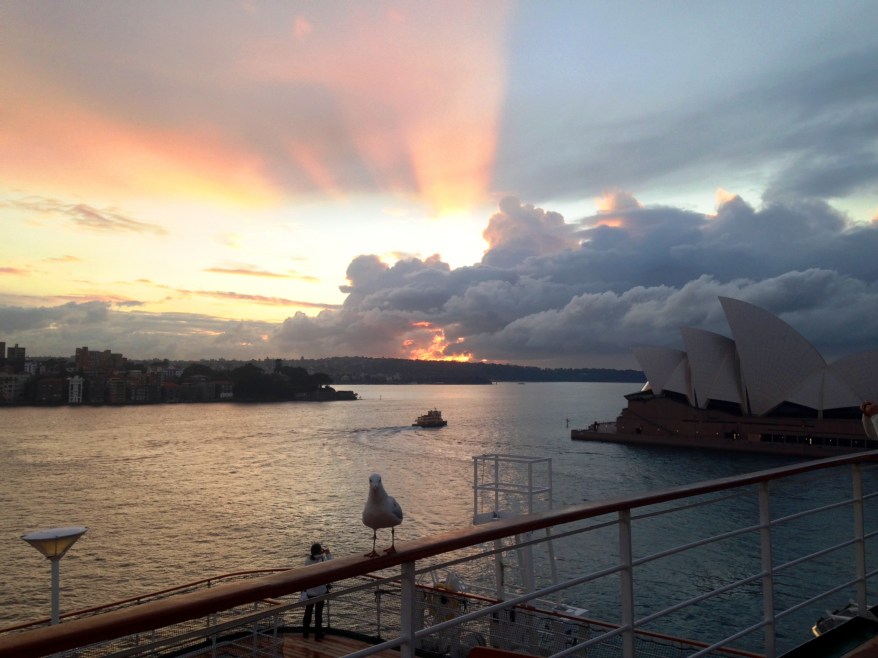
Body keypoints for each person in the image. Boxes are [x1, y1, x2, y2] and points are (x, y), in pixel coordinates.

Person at [301, 542, 332, 640]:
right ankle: (317, 634)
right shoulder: (322, 559)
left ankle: (305, 632)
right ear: (320, 551)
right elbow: (332, 564)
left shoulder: (307, 560)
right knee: (318, 614)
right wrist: (327, 554)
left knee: (308, 612)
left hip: (310, 592)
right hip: (320, 591)